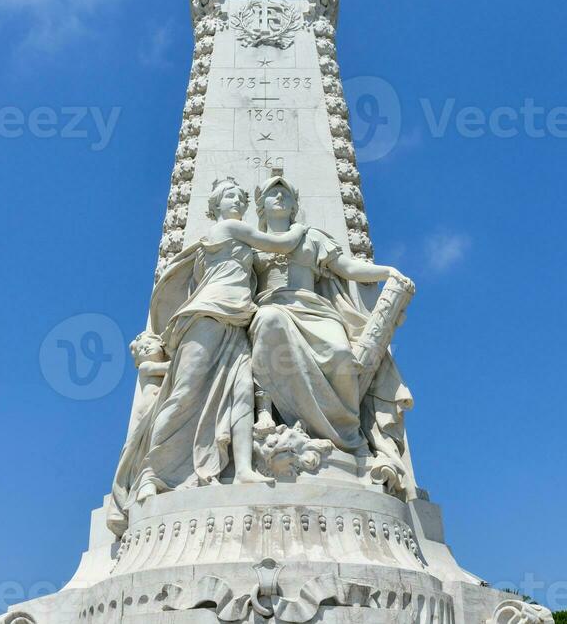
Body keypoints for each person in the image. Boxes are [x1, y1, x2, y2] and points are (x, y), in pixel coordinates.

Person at [106, 177, 305, 536]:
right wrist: (300, 229)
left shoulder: (236, 236)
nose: (238, 199)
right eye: (230, 195)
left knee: (242, 390)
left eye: (239, 195)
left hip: (238, 319)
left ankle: (244, 469)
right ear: (215, 206)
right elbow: (282, 242)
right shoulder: (230, 228)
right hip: (207, 316)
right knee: (183, 393)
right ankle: (151, 474)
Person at [248, 174, 414, 487]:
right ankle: (269, 414)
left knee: (341, 355)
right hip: (273, 308)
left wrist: (387, 271)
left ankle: (345, 431)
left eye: (286, 194)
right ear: (262, 205)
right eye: (273, 194)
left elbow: (348, 268)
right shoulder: (253, 245)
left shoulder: (311, 237)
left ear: (296, 204)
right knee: (269, 320)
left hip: (315, 311)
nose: (280, 198)